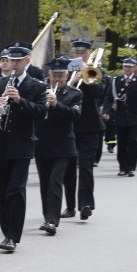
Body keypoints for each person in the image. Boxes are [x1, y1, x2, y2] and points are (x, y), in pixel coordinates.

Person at [0, 41, 47, 253]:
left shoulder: (36, 86)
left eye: (19, 60)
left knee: (15, 190)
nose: (15, 64)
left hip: (21, 145)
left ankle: (13, 236)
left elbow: (40, 113)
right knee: (2, 192)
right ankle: (6, 230)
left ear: (27, 61)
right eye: (12, 60)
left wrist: (20, 101)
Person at [34, 56, 82, 236]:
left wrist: (56, 104)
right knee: (45, 183)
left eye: (61, 75)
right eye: (54, 75)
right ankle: (47, 216)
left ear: (67, 75)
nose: (57, 79)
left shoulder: (74, 94)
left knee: (55, 182)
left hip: (63, 146)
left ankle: (52, 221)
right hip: (42, 144)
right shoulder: (41, 90)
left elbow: (74, 115)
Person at [63, 37, 105, 222]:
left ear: (89, 53)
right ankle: (70, 206)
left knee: (86, 167)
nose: (80, 54)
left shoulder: (95, 71)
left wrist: (86, 78)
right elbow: (60, 94)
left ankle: (86, 204)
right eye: (77, 52)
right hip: (69, 126)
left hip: (90, 127)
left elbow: (98, 94)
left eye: (83, 52)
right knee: (68, 169)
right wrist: (72, 82)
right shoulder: (65, 69)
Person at [102, 57, 137, 177]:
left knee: (133, 141)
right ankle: (122, 167)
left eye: (130, 66)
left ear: (135, 68)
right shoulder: (116, 80)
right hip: (120, 116)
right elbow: (108, 97)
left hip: (134, 117)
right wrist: (106, 111)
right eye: (125, 66)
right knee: (121, 143)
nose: (127, 69)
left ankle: (131, 167)